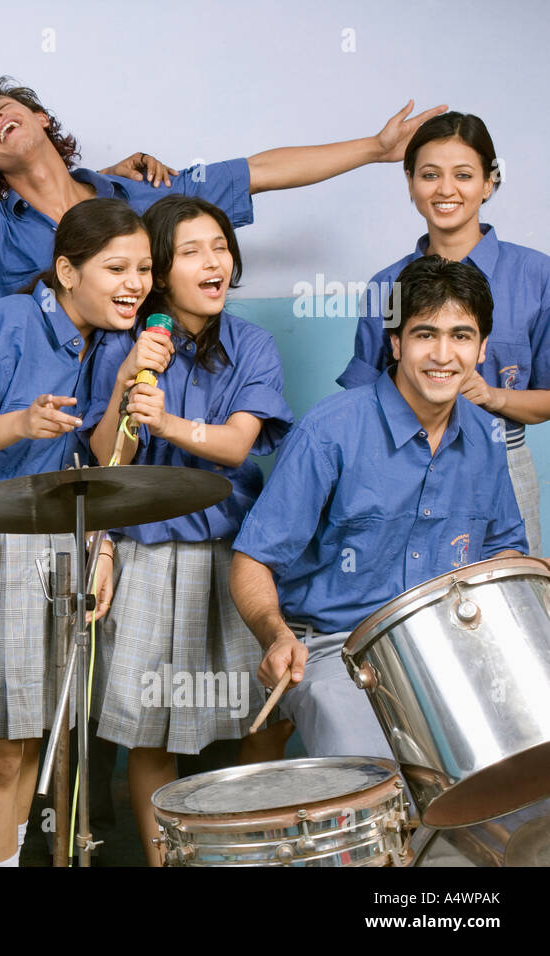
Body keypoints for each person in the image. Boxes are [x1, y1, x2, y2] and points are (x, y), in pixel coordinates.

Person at [0, 197, 155, 865]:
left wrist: (126, 387)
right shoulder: (7, 319)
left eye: (143, 269)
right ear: (67, 272)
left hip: (47, 539)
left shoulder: (111, 344)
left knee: (23, 740)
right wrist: (20, 422)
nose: (135, 283)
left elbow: (104, 460)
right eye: (117, 268)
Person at [0, 75, 444, 301]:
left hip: (148, 424)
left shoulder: (138, 193)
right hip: (46, 444)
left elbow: (260, 170)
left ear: (40, 121)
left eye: (6, 106)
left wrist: (376, 149)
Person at [232, 256, 526, 761]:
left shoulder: (485, 435)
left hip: (451, 645)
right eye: (425, 334)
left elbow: (503, 551)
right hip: (337, 649)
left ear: (481, 348)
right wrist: (277, 637)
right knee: (375, 778)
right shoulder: (329, 431)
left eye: (461, 336)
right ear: (395, 343)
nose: (443, 354)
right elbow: (253, 560)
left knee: (517, 764)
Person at [87, 195, 295, 866]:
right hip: (149, 554)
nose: (214, 263)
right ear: (159, 272)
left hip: (235, 555)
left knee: (262, 713)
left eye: (221, 247)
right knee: (150, 732)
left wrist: (169, 423)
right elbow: (106, 460)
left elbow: (236, 445)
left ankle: (251, 857)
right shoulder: (122, 344)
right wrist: (126, 383)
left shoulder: (253, 345)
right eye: (192, 252)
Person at [337, 112, 550, 555]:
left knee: (512, 587)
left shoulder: (536, 275)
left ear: (489, 183)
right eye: (430, 175)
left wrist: (492, 397)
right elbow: (361, 401)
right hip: (404, 465)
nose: (446, 189)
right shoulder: (386, 285)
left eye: (464, 175)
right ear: (410, 182)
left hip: (506, 461)